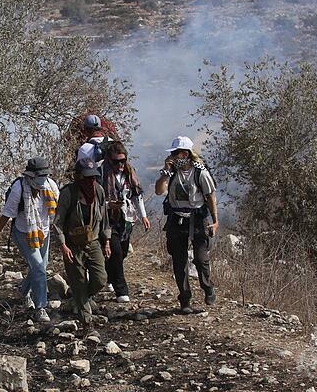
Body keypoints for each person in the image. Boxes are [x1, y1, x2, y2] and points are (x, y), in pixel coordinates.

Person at [0, 157, 60, 322]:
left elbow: (57, 209)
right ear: (31, 176)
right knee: (39, 268)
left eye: (45, 175)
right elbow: (7, 214)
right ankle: (40, 307)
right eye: (40, 176)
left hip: (43, 232)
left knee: (41, 266)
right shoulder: (19, 188)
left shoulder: (51, 186)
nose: (43, 179)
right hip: (24, 232)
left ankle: (23, 291)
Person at [154, 136, 219, 313]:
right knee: (179, 260)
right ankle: (184, 299)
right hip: (176, 218)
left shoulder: (200, 173)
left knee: (201, 258)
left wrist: (215, 221)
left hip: (197, 219)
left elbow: (210, 196)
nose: (174, 157)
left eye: (178, 153)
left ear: (186, 154)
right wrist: (165, 172)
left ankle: (207, 287)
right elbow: (159, 191)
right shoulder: (171, 173)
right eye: (173, 153)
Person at [55, 158, 110, 337]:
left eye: (93, 177)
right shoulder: (68, 194)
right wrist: (63, 245)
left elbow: (104, 220)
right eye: (86, 177)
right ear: (78, 176)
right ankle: (87, 323)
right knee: (78, 282)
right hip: (73, 245)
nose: (90, 181)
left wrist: (106, 241)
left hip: (93, 242)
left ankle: (80, 299)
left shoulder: (99, 191)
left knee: (100, 278)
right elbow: (57, 222)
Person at [102, 141, 151, 303]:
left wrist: (143, 216)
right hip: (107, 219)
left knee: (122, 252)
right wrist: (109, 205)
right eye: (116, 162)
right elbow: (96, 199)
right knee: (115, 252)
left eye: (123, 161)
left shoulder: (130, 173)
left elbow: (137, 195)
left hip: (126, 218)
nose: (120, 165)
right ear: (110, 160)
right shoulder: (102, 173)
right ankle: (121, 291)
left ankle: (110, 276)